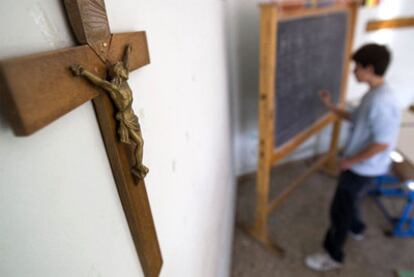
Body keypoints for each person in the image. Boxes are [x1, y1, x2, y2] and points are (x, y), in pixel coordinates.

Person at [305, 43, 401, 271]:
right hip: (363, 166)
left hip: (363, 168)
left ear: (369, 68)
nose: (353, 71)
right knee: (351, 202)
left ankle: (333, 255)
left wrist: (350, 161)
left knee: (339, 211)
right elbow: (356, 118)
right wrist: (330, 106)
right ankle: (357, 228)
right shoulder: (374, 93)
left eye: (357, 67)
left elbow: (382, 143)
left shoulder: (381, 101)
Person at [70, 44, 149, 181]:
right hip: (126, 119)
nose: (125, 69)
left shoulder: (124, 81)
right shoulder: (114, 88)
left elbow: (127, 64)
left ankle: (138, 166)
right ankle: (138, 166)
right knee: (140, 142)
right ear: (118, 72)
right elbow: (100, 82)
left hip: (133, 117)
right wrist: (83, 72)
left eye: (124, 68)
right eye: (121, 68)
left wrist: (127, 51)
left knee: (140, 142)